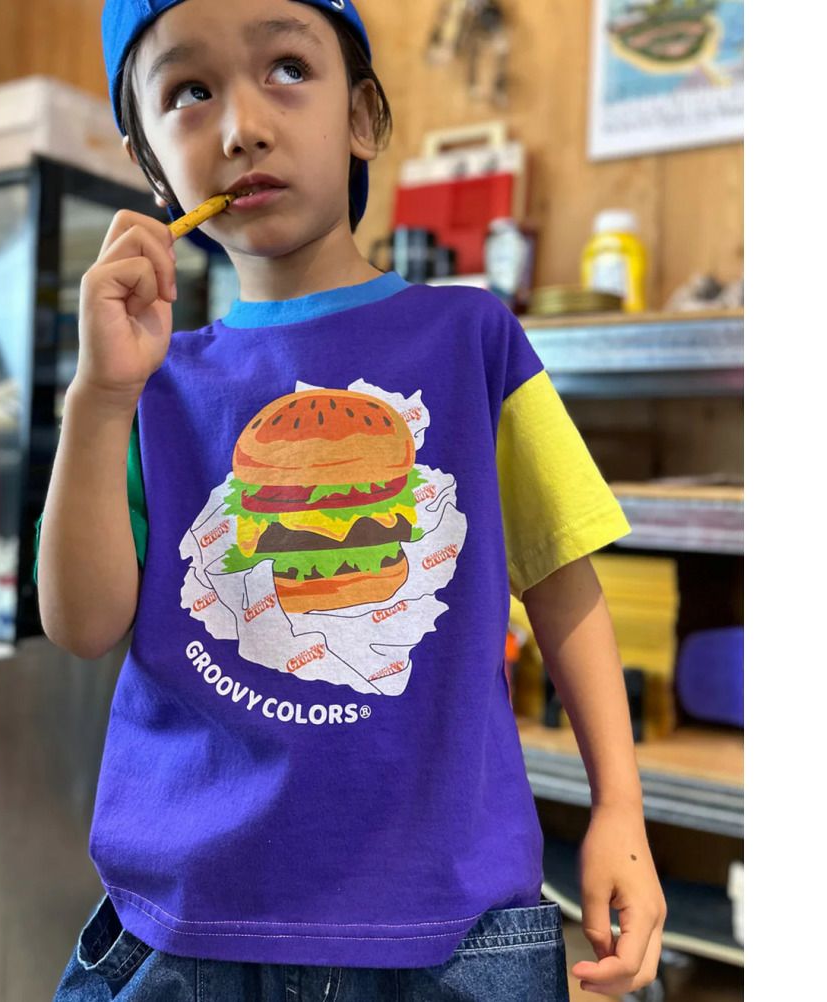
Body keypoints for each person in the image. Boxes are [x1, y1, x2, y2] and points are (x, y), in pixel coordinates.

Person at [35, 1, 667, 998]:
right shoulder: (150, 382)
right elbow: (81, 625)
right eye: (190, 91)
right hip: (189, 927)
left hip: (452, 929)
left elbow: (562, 578)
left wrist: (620, 810)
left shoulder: (476, 341)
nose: (242, 126)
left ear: (363, 117)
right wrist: (98, 396)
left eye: (287, 68)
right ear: (151, 163)